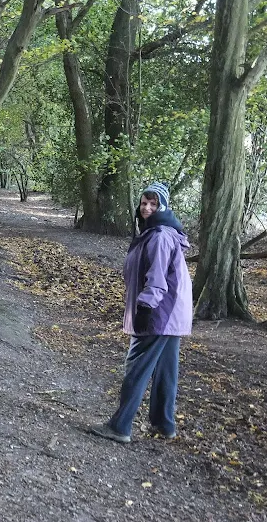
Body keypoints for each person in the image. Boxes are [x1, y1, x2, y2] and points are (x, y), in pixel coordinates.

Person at [90, 182, 193, 443]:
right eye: (144, 203)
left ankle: (120, 426)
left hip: (159, 312)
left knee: (137, 366)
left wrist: (145, 308)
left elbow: (157, 278)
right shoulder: (155, 232)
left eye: (153, 204)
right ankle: (164, 425)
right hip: (171, 313)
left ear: (163, 207)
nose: (147, 208)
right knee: (165, 371)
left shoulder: (159, 236)